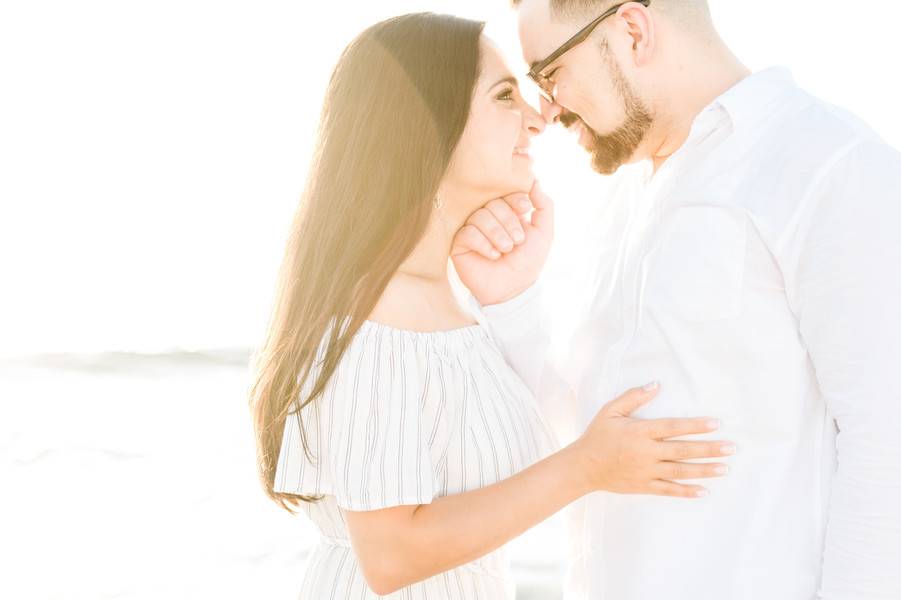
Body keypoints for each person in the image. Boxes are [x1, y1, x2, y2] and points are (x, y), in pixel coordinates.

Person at [248, 12, 735, 600]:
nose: (538, 118)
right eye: (505, 95)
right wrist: (587, 466)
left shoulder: (438, 298)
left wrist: (512, 295)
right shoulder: (377, 316)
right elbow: (392, 555)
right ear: (429, 124)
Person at [451, 1, 901, 598]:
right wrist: (510, 303)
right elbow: (586, 432)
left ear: (632, 30)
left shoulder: (831, 164)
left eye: (549, 74)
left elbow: (885, 444)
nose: (548, 110)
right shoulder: (621, 200)